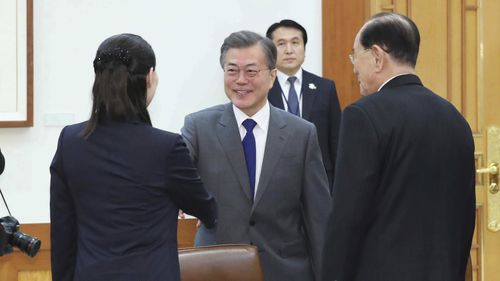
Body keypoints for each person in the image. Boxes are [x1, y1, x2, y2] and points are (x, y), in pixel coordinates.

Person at [50, 33, 217, 281]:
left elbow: (63, 233)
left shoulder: (70, 140)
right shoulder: (166, 147)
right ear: (149, 77)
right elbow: (207, 209)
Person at [321, 13, 476, 281]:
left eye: (355, 56)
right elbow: (464, 216)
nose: (354, 67)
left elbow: (347, 218)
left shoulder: (363, 115)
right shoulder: (455, 118)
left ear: (377, 56)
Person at [181, 30, 330, 281]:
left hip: (285, 270)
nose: (240, 80)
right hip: (216, 267)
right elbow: (173, 177)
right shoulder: (199, 126)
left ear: (272, 76)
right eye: (232, 71)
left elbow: (318, 217)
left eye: (251, 71)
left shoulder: (301, 133)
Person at [266, 19, 341, 190]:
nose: (289, 50)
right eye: (281, 44)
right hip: (275, 184)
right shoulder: (262, 89)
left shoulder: (325, 88)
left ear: (304, 49)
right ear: (270, 52)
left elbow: (336, 141)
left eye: (295, 42)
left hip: (320, 182)